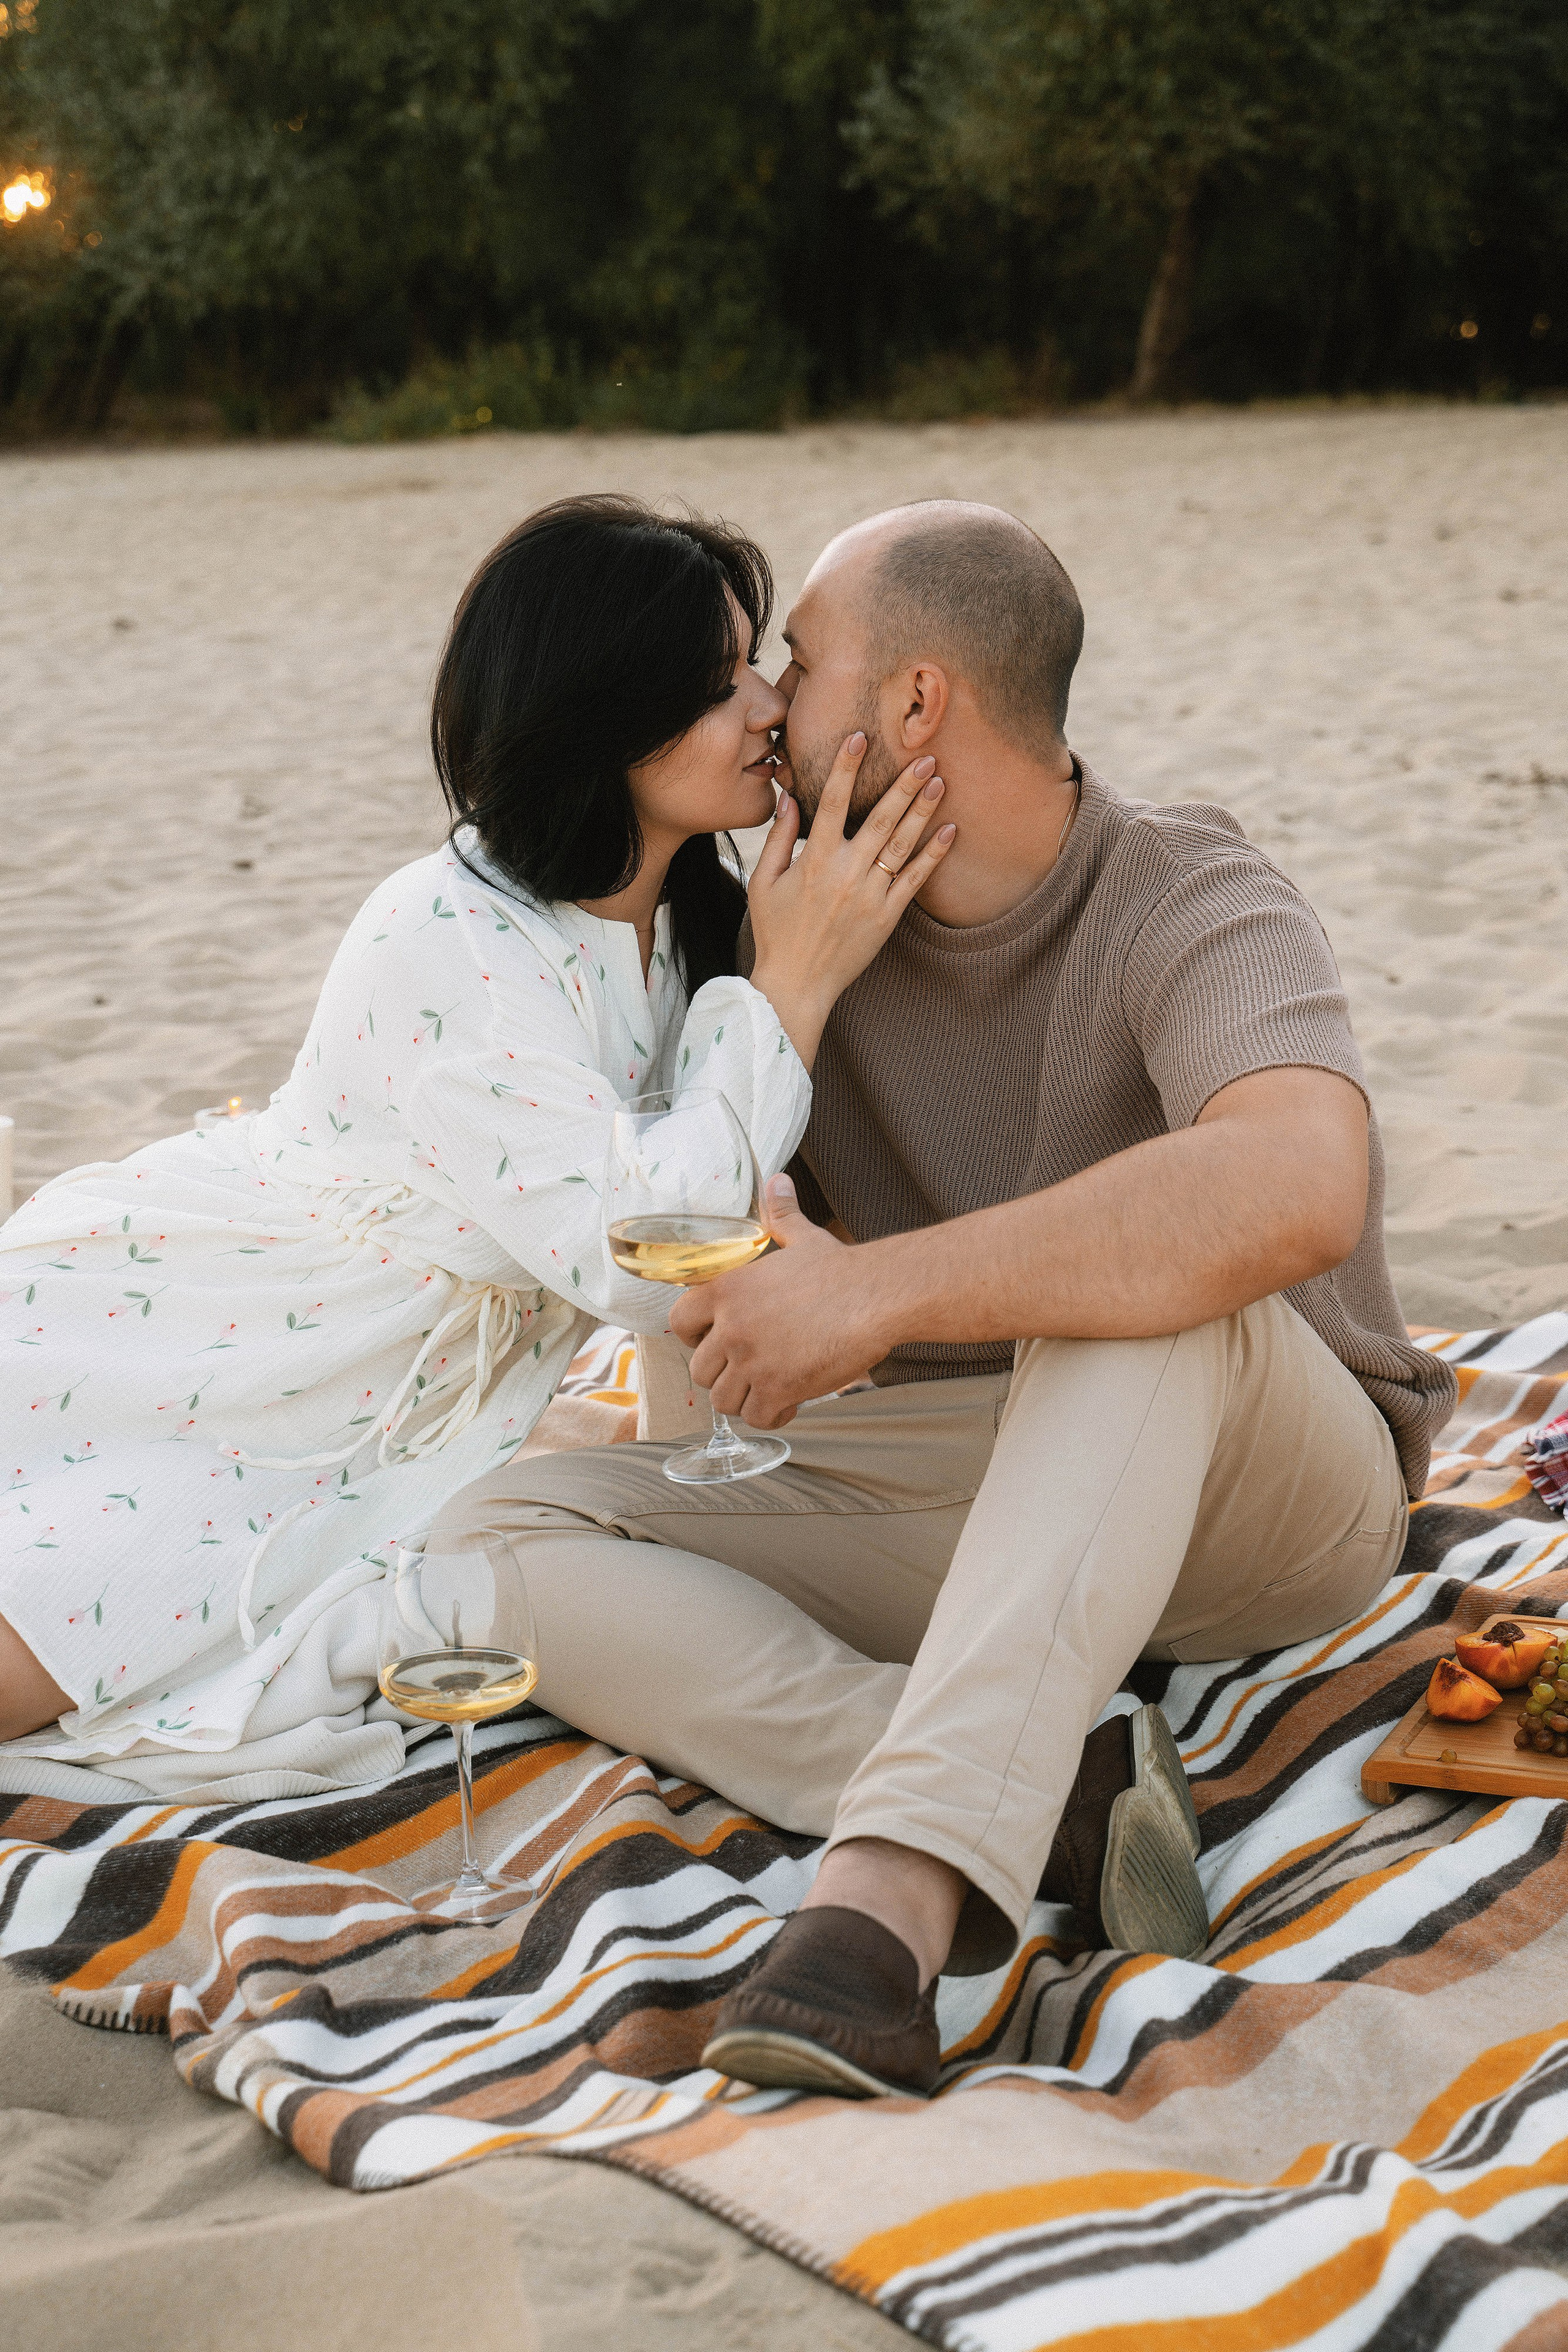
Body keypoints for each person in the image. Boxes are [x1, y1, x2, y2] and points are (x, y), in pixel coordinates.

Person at [433, 499, 1458, 2099]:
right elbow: (705, 1321)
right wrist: (782, 1016)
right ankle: (1054, 1782)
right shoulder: (789, 928)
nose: (770, 706)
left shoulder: (1185, 889)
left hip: (1276, 1505)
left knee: (1152, 1288)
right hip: (998, 1499)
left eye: (800, 662)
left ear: (915, 704)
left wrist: (878, 1294)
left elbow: (1294, 1184)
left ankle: (884, 1912)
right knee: (480, 1537)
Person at [0, 494, 952, 1788]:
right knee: (66, 1644)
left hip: (431, 1397)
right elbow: (640, 1254)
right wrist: (792, 988)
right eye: (717, 684)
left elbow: (702, 1222)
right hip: (244, 1338)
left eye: (755, 665)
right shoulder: (445, 938)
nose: (769, 708)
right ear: (602, 717)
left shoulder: (682, 918)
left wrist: (692, 1484)